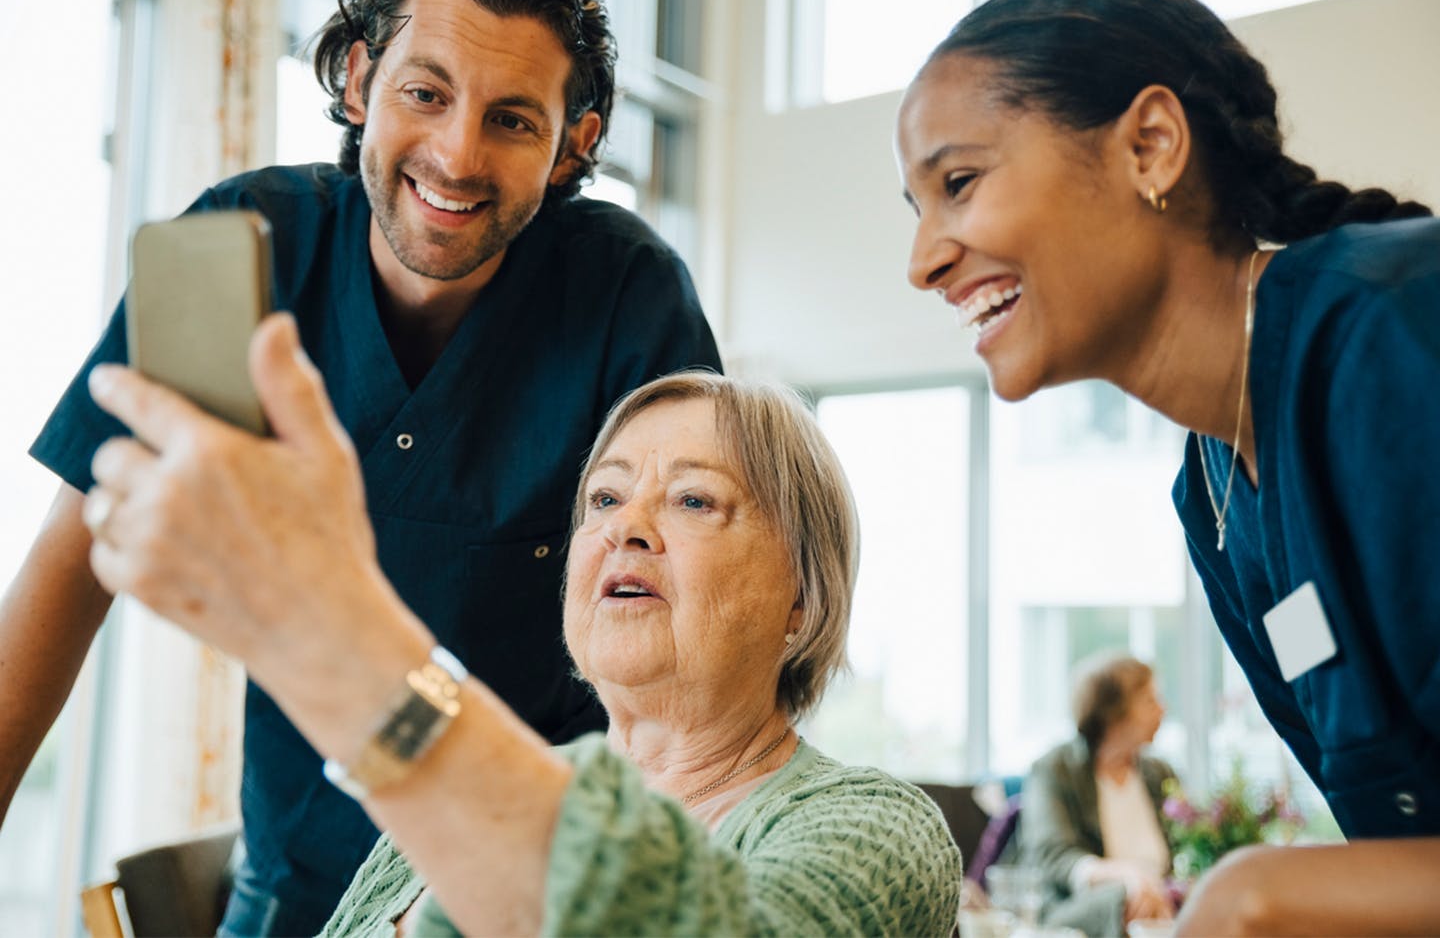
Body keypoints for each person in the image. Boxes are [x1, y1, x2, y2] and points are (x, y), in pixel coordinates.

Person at [0, 0, 720, 931]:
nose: (458, 154)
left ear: (571, 143)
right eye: (426, 92)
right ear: (356, 79)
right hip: (296, 892)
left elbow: (695, 632)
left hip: (521, 890)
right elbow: (71, 556)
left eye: (512, 118)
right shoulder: (255, 242)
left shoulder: (627, 297)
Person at [896, 0, 1439, 935]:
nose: (924, 260)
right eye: (919, 208)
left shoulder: (1386, 337)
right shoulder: (1214, 496)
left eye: (960, 184)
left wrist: (1254, 895)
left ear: (1150, 145)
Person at [80, 344, 962, 935]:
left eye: (693, 500)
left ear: (801, 603)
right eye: (605, 500)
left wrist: (333, 629)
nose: (628, 528)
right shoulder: (453, 806)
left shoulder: (878, 828)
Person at [1022, 654, 1177, 937]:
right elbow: (1054, 855)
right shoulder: (1055, 770)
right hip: (1080, 906)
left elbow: (1185, 848)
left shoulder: (1160, 773)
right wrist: (1129, 879)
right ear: (1113, 713)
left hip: (1161, 905)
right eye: (1149, 701)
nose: (1163, 710)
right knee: (1122, 898)